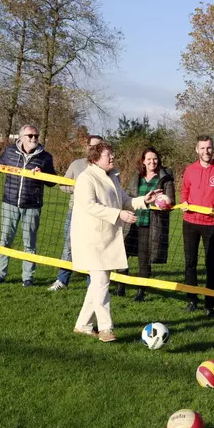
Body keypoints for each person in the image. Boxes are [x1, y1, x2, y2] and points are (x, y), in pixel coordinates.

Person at [70, 142, 160, 342]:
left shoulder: (112, 177)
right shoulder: (86, 178)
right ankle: (105, 329)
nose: (112, 158)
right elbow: (89, 206)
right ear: (95, 158)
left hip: (107, 239)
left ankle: (83, 324)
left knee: (98, 285)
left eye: (112, 154)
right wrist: (119, 214)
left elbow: (126, 200)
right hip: (91, 240)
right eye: (108, 155)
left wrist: (145, 199)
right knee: (101, 283)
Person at [0, 124, 56, 287]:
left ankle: (27, 277)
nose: (34, 138)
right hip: (9, 203)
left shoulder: (45, 157)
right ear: (21, 137)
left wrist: (43, 175)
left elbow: (53, 182)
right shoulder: (10, 152)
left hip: (32, 206)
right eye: (30, 136)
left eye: (36, 136)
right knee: (5, 239)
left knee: (29, 242)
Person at [181, 135, 214, 317]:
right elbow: (185, 191)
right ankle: (191, 300)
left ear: (213, 149)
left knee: (211, 265)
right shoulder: (189, 170)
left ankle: (209, 304)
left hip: (211, 224)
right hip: (190, 222)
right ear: (197, 150)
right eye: (202, 148)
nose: (206, 151)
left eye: (209, 148)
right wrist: (184, 201)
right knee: (190, 263)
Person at [118, 147, 176, 301]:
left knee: (144, 259)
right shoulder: (136, 176)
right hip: (131, 222)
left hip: (150, 225)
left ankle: (141, 292)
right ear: (143, 161)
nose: (152, 162)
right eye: (149, 159)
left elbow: (171, 201)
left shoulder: (165, 178)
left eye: (155, 158)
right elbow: (128, 197)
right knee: (122, 255)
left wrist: (164, 203)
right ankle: (120, 287)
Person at [48, 135, 103, 291]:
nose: (94, 150)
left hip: (96, 214)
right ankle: (62, 281)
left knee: (93, 248)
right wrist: (76, 188)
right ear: (86, 147)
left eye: (98, 147)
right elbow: (63, 185)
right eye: (92, 146)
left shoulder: (105, 167)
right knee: (69, 246)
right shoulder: (76, 164)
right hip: (75, 212)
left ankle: (92, 284)